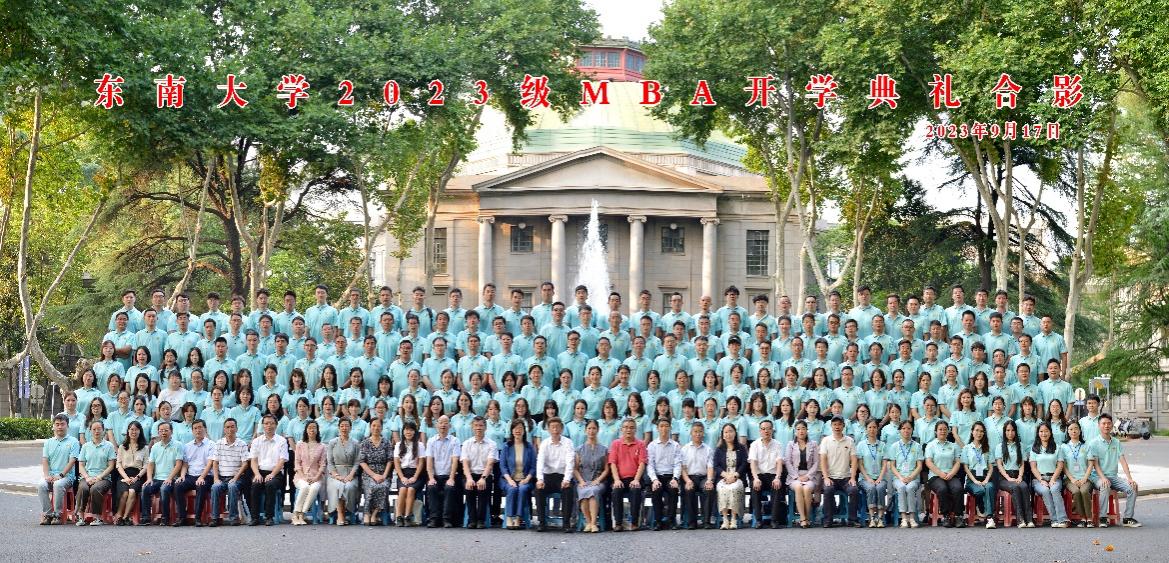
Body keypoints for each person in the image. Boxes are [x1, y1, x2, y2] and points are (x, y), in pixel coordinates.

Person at [1089, 413, 1142, 528]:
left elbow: (1123, 460)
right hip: (1097, 477)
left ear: (1112, 425)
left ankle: (1127, 518)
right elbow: (1095, 464)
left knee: (1133, 487)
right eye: (1103, 423)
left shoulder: (1116, 442)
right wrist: (1103, 478)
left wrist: (1130, 479)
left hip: (1113, 477)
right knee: (1105, 485)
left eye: (1108, 423)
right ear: (1099, 425)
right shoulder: (1094, 443)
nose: (1106, 426)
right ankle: (1102, 518)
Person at [138, 420, 183, 526]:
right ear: (158, 432)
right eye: (161, 431)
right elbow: (150, 465)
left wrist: (170, 478)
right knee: (145, 488)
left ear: (171, 431)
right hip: (157, 479)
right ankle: (146, 517)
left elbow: (178, 464)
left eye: (166, 430)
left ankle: (165, 517)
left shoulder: (178, 445)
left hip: (171, 479)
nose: (163, 432)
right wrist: (149, 478)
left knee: (164, 489)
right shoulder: (155, 447)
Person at [535, 416, 575, 532]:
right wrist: (540, 479)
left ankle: (566, 523)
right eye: (552, 427)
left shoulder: (568, 443)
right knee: (538, 490)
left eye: (557, 427)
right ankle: (542, 522)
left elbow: (570, 462)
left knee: (568, 490)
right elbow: (540, 462)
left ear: (561, 429)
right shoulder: (544, 443)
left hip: (562, 476)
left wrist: (567, 479)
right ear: (548, 429)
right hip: (548, 476)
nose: (555, 430)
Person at [209, 418, 251, 527]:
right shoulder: (219, 443)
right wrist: (216, 478)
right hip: (222, 477)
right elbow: (215, 462)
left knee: (232, 486)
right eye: (227, 427)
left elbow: (245, 464)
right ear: (224, 429)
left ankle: (233, 518)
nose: (230, 429)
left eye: (232, 427)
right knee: (215, 487)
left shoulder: (242, 444)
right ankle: (215, 518)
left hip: (237, 478)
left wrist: (235, 478)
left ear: (236, 428)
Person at [609, 417, 648, 531]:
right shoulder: (616, 443)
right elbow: (612, 463)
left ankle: (634, 523)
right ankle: (618, 523)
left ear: (635, 430)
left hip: (635, 477)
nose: (628, 430)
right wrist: (616, 480)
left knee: (635, 490)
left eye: (631, 428)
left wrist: (636, 479)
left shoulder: (640, 444)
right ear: (621, 429)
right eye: (625, 427)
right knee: (616, 491)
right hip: (620, 478)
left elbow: (642, 463)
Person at [249, 414, 289, 525]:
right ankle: (255, 517)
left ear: (276, 425)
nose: (269, 426)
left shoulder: (281, 441)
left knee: (270, 484)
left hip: (276, 473)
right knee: (255, 484)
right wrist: (257, 474)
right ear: (262, 425)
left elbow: (282, 460)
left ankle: (269, 517)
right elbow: (253, 461)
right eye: (266, 423)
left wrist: (272, 474)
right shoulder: (257, 441)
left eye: (271, 423)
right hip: (260, 472)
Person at [75, 420, 116, 526]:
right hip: (87, 477)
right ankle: (80, 516)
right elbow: (81, 465)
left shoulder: (109, 446)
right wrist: (87, 477)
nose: (96, 431)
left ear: (103, 430)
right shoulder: (85, 446)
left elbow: (111, 465)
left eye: (99, 429)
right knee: (83, 487)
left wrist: (99, 477)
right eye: (94, 429)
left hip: (104, 478)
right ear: (90, 431)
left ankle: (97, 517)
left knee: (95, 488)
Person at [174, 419, 214, 526]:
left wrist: (202, 477)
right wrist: (182, 476)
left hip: (206, 476)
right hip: (191, 475)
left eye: (200, 427)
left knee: (201, 485)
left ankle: (198, 518)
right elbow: (185, 464)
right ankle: (182, 517)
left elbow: (210, 463)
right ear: (192, 431)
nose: (198, 430)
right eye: (195, 428)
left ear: (205, 429)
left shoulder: (211, 444)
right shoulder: (187, 446)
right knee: (178, 485)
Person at [924, 420, 963, 528]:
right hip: (935, 476)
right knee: (942, 489)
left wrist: (951, 473)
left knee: (958, 488)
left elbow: (957, 462)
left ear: (948, 431)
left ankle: (958, 516)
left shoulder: (954, 446)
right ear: (935, 431)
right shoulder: (930, 445)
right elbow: (928, 462)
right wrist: (940, 473)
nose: (942, 431)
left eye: (945, 429)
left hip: (951, 474)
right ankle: (946, 516)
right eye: (940, 429)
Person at [425, 415, 462, 528]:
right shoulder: (431, 441)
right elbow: (429, 461)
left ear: (449, 425)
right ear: (437, 425)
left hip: (449, 475)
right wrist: (431, 478)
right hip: (435, 475)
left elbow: (455, 461)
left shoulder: (455, 440)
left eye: (446, 423)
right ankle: (434, 519)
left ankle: (447, 519)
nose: (443, 425)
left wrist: (451, 478)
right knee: (431, 487)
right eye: (441, 422)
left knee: (449, 488)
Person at [461, 416, 497, 528]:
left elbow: (490, 464)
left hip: (485, 474)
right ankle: (472, 520)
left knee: (482, 489)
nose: (478, 428)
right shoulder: (466, 443)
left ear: (485, 427)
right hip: (470, 474)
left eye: (481, 425)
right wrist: (469, 478)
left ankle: (481, 520)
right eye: (476, 425)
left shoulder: (492, 444)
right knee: (469, 488)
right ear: (472, 427)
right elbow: (465, 463)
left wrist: (483, 478)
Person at [996, 420, 1034, 528]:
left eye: (1012, 430)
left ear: (1016, 432)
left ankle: (1029, 519)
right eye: (1008, 430)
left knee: (1024, 486)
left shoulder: (1020, 446)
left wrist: (1020, 476)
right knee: (1015, 488)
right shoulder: (999, 446)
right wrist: (1008, 477)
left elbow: (1022, 464)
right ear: (1004, 432)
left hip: (1018, 475)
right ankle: (1020, 519)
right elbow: (999, 465)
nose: (1010, 433)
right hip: (1004, 478)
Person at [1031, 422, 1070, 528]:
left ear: (1050, 432)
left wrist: (1053, 479)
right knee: (1045, 490)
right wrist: (1041, 480)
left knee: (1054, 489)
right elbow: (1033, 468)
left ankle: (1062, 519)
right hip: (1039, 480)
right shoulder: (1034, 448)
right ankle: (1054, 519)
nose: (1044, 434)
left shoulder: (1057, 447)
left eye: (1046, 431)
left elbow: (1060, 465)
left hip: (1055, 478)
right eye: (1041, 431)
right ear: (1038, 433)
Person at [747, 419, 785, 528]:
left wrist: (777, 477)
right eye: (763, 429)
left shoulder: (778, 444)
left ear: (772, 430)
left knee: (777, 486)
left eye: (768, 429)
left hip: (773, 474)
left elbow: (779, 463)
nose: (766, 431)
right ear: (760, 431)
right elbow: (753, 463)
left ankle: (774, 520)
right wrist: (755, 478)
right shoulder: (754, 444)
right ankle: (758, 520)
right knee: (755, 487)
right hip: (759, 475)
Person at [885, 420, 922, 528]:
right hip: (898, 478)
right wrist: (901, 477)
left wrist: (911, 477)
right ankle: (904, 518)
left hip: (913, 478)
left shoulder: (917, 446)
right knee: (901, 487)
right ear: (900, 431)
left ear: (912, 430)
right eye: (903, 428)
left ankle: (912, 517)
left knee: (910, 488)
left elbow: (919, 466)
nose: (906, 430)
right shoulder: (894, 446)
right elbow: (892, 466)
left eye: (909, 428)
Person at [500, 419, 536, 530]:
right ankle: (509, 517)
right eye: (515, 428)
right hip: (508, 479)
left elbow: (533, 467)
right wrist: (510, 480)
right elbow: (503, 466)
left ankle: (518, 517)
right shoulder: (506, 446)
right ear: (512, 431)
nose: (518, 431)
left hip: (525, 479)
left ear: (524, 431)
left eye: (520, 428)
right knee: (512, 489)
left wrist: (526, 479)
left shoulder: (529, 447)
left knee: (522, 489)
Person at [646, 417, 681, 530]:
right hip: (657, 476)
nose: (664, 429)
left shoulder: (675, 445)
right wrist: (654, 479)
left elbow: (678, 464)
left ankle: (671, 520)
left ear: (670, 428)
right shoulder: (652, 445)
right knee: (656, 490)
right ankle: (658, 520)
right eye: (661, 426)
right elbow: (650, 465)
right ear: (657, 428)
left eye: (666, 426)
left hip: (671, 476)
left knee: (673, 489)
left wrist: (675, 478)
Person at [679, 421, 715, 530]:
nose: (698, 434)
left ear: (703, 433)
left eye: (700, 431)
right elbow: (682, 468)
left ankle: (706, 521)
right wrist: (687, 480)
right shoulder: (685, 449)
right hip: (690, 477)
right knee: (689, 489)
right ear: (691, 433)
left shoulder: (708, 449)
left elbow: (710, 467)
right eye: (695, 431)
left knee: (709, 489)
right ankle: (692, 522)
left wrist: (709, 480)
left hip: (704, 477)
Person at [358, 417, 393, 525]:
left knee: (383, 486)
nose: (376, 428)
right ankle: (367, 513)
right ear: (370, 427)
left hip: (383, 474)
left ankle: (374, 513)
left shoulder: (386, 442)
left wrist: (384, 475)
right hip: (369, 474)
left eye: (378, 426)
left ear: (382, 428)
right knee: (371, 487)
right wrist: (374, 475)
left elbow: (390, 460)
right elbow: (362, 462)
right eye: (373, 425)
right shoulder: (365, 443)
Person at [712, 423, 748, 529]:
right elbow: (716, 466)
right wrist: (726, 476)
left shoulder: (741, 448)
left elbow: (744, 464)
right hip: (723, 477)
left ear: (735, 433)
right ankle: (725, 519)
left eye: (731, 431)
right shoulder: (719, 449)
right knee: (722, 489)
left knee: (734, 488)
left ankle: (734, 519)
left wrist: (735, 476)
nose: (728, 434)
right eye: (726, 432)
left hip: (737, 477)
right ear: (723, 435)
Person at [325, 418, 360, 525]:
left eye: (347, 426)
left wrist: (351, 475)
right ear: (338, 428)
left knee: (349, 486)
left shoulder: (355, 443)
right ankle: (341, 514)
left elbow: (357, 462)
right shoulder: (332, 442)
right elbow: (330, 462)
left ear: (350, 428)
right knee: (338, 485)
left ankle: (347, 511)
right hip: (335, 474)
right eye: (342, 426)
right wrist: (336, 475)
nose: (344, 428)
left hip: (350, 473)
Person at [113, 421, 148, 526]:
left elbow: (146, 465)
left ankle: (125, 517)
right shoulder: (122, 447)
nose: (134, 432)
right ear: (128, 431)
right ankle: (119, 515)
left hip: (138, 475)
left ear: (140, 431)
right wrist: (126, 478)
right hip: (124, 474)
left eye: (136, 429)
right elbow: (118, 464)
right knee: (124, 493)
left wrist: (137, 477)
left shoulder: (145, 448)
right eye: (131, 429)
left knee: (132, 491)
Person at [856, 419, 890, 527]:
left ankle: (879, 517)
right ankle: (871, 517)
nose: (872, 429)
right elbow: (860, 465)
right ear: (866, 429)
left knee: (880, 487)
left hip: (880, 477)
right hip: (865, 478)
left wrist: (880, 478)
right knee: (871, 487)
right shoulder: (861, 445)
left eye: (874, 427)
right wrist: (868, 478)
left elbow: (884, 464)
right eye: (869, 427)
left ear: (877, 429)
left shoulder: (883, 445)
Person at [291, 420, 325, 526]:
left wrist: (316, 478)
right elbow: (297, 463)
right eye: (310, 427)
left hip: (316, 477)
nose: (312, 430)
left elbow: (322, 465)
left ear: (317, 430)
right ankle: (295, 514)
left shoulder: (322, 446)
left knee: (314, 488)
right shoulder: (300, 444)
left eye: (314, 427)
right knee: (305, 486)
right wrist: (303, 477)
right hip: (301, 476)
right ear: (306, 430)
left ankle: (302, 514)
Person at [962, 421, 996, 528]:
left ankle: (989, 518)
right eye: (977, 430)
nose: (979, 433)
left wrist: (986, 480)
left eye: (981, 431)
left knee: (989, 487)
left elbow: (990, 467)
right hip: (972, 479)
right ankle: (980, 506)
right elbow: (966, 467)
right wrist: (975, 481)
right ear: (972, 432)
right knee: (980, 490)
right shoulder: (967, 448)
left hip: (985, 476)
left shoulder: (987, 448)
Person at [1060, 420, 1094, 527]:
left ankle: (1089, 518)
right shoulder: (1063, 447)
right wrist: (1072, 479)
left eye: (1076, 428)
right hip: (1070, 479)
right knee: (1076, 491)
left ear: (1080, 431)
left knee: (1084, 491)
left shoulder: (1086, 446)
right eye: (1071, 429)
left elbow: (1091, 464)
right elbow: (1063, 466)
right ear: (1067, 431)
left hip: (1085, 478)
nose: (1073, 431)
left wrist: (1084, 478)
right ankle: (1082, 518)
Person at [393, 421, 425, 526]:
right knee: (402, 489)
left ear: (415, 432)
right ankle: (399, 517)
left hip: (416, 474)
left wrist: (415, 477)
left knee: (411, 489)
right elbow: (396, 463)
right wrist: (402, 477)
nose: (408, 432)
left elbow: (421, 463)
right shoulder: (398, 445)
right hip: (403, 473)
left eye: (411, 430)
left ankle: (407, 516)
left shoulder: (420, 445)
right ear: (403, 431)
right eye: (406, 429)